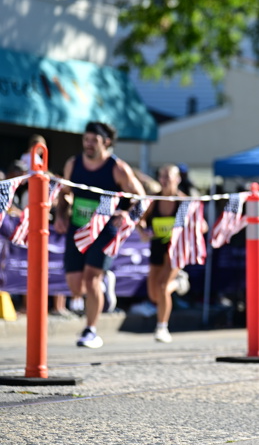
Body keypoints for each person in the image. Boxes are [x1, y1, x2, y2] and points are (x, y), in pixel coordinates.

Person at [53, 121, 146, 349]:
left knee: (91, 278)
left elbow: (142, 199)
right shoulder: (73, 164)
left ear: (106, 142)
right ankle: (105, 283)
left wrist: (128, 215)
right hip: (78, 226)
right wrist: (61, 215)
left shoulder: (118, 168)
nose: (88, 144)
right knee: (76, 287)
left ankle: (90, 330)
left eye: (94, 140)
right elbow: (64, 194)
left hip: (105, 228)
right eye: (86, 139)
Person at [139, 164, 203, 343]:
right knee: (154, 295)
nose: (165, 180)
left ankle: (162, 327)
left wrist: (191, 229)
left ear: (177, 179)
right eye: (162, 176)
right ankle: (179, 282)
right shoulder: (153, 199)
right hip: (157, 246)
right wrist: (142, 231)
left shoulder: (184, 202)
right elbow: (139, 219)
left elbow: (203, 226)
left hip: (176, 250)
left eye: (168, 176)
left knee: (162, 287)